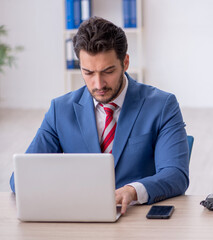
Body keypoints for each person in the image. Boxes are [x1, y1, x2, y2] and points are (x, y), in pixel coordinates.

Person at [9, 16, 189, 214]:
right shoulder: (60, 110)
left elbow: (176, 174)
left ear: (125, 62)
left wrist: (133, 190)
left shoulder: (162, 105)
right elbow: (20, 178)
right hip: (78, 217)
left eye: (108, 71)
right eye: (88, 73)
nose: (98, 84)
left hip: (136, 218)